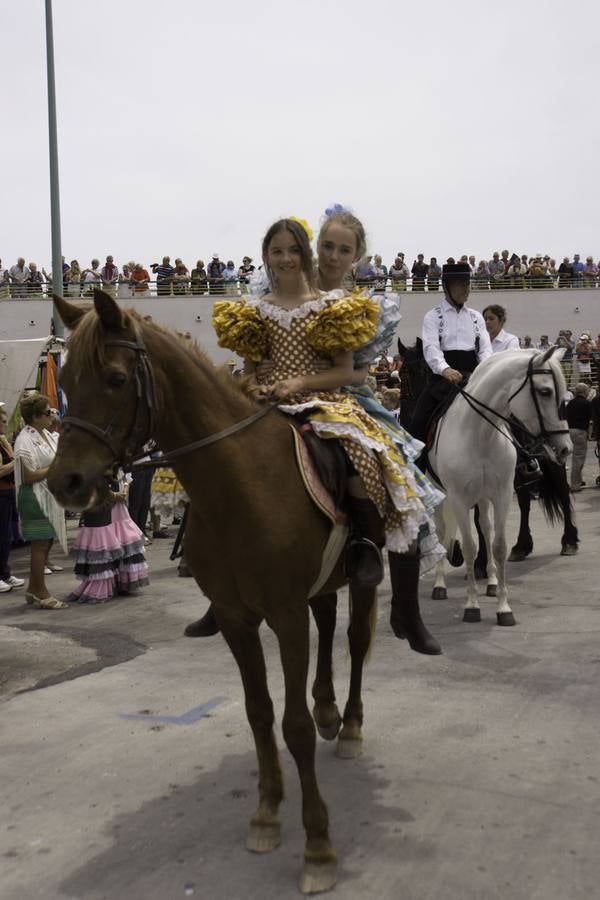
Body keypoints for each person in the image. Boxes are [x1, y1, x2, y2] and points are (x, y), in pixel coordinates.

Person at [204, 215, 444, 655]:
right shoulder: (273, 292)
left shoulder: (349, 304)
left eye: (343, 250)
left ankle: (398, 595)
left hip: (337, 395)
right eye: (327, 247)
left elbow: (351, 371)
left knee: (391, 471)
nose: (332, 257)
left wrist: (298, 383)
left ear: (357, 257)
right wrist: (256, 385)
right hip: (272, 397)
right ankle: (216, 574)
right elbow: (253, 362)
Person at [411, 262, 493, 445]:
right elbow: (431, 348)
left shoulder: (476, 316)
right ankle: (417, 470)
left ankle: (526, 462)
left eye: (468, 283)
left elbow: (485, 348)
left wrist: (486, 369)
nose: (467, 288)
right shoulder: (432, 316)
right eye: (462, 284)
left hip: (474, 377)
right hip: (443, 380)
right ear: (447, 287)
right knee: (416, 425)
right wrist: (445, 369)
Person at [13, 393, 68, 609]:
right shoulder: (24, 440)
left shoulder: (44, 433)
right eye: (47, 412)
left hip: (48, 494)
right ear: (35, 417)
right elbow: (28, 475)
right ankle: (41, 592)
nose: (51, 415)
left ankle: (33, 588)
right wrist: (56, 469)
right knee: (40, 544)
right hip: (34, 496)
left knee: (46, 543)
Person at [69, 471, 149, 603]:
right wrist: (114, 495)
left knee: (120, 542)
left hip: (117, 506)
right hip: (102, 505)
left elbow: (125, 475)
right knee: (104, 543)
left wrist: (124, 490)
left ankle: (120, 582)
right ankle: (101, 585)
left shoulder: (116, 460)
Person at [0, 403, 25, 593]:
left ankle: (5, 573)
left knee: (6, 536)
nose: (5, 423)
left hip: (8, 492)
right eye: (1, 421)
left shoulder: (2, 440)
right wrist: (17, 461)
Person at [566, 384, 591, 491]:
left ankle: (579, 480)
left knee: (569, 458)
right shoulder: (587, 403)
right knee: (578, 459)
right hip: (580, 432)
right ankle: (575, 485)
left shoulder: (570, 403)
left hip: (569, 431)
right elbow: (591, 418)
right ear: (585, 392)